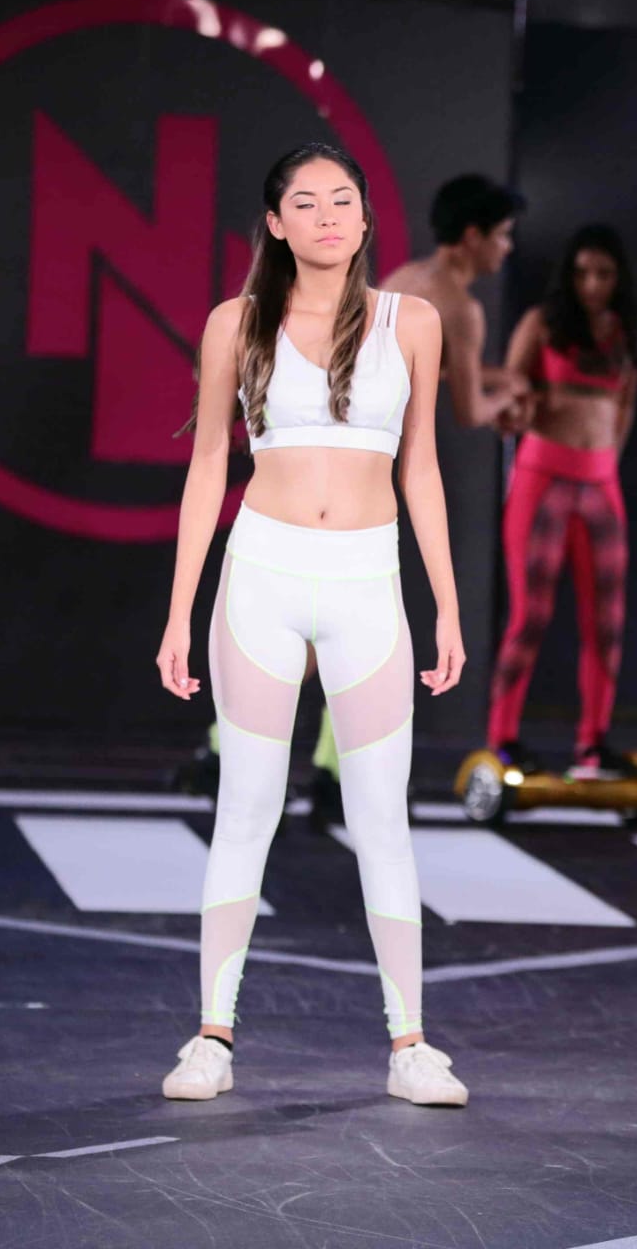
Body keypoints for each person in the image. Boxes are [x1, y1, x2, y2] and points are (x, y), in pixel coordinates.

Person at [155, 142, 469, 1108]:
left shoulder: (412, 322)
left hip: (368, 581)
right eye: (306, 202)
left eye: (343, 200)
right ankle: (211, 1038)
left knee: (382, 819)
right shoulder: (236, 322)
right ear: (276, 222)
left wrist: (447, 602)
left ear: (366, 219)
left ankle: (411, 1046)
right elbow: (209, 464)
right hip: (262, 577)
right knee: (245, 808)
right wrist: (179, 612)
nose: (328, 216)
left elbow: (422, 466)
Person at [486, 224, 637, 777]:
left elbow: (624, 410)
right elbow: (510, 392)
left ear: (619, 277)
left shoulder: (625, 335)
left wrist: (603, 464)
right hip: (543, 481)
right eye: (582, 273)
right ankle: (502, 737)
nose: (592, 284)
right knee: (529, 616)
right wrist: (517, 409)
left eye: (603, 273)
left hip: (600, 485)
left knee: (608, 623)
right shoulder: (543, 323)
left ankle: (593, 744)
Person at [381, 173, 529, 428]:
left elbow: (402, 363)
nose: (508, 246)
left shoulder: (404, 276)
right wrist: (507, 397)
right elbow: (471, 413)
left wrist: (501, 378)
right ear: (472, 236)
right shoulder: (462, 309)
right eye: (503, 234)